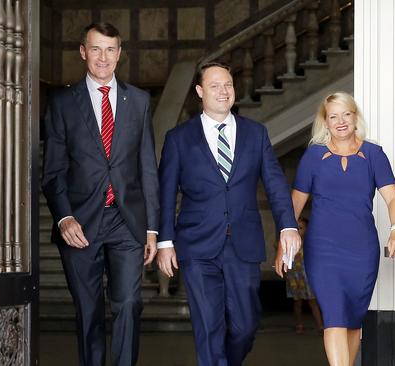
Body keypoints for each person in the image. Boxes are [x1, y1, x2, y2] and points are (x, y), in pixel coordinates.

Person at [156, 61, 301, 366]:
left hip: (243, 244)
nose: (223, 92)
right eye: (214, 86)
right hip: (197, 246)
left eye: (228, 85)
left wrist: (288, 226)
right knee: (209, 328)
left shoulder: (256, 134)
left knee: (244, 327)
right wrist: (164, 242)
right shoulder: (179, 138)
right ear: (199, 91)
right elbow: (166, 193)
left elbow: (275, 184)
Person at [42, 22, 159, 366]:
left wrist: (152, 228)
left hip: (126, 221)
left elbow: (147, 168)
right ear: (83, 52)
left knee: (127, 304)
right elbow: (53, 171)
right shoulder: (62, 102)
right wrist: (64, 218)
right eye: (96, 49)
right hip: (80, 223)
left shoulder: (138, 101)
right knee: (89, 311)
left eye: (110, 49)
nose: (103, 57)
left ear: (120, 53)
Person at [275, 92, 395, 366]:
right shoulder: (313, 156)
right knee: (334, 315)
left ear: (355, 117)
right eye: (333, 116)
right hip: (323, 249)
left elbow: (392, 197)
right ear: (325, 122)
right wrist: (281, 245)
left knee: (354, 320)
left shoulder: (373, 154)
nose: (340, 121)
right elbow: (294, 204)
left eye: (346, 114)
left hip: (362, 249)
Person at [282, 217, 323, 334]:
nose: (299, 230)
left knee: (312, 301)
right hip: (295, 278)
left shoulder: (310, 243)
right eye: (296, 228)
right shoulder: (291, 244)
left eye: (301, 228)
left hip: (308, 277)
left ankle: (320, 325)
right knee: (297, 302)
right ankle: (298, 324)